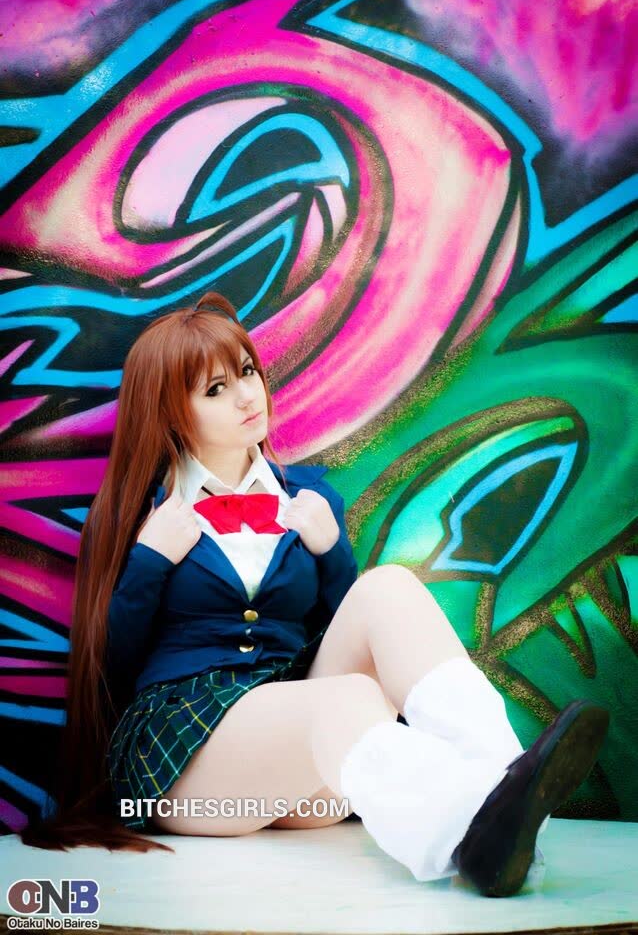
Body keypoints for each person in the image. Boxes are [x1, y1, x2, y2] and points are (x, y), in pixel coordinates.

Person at [19, 290, 609, 898]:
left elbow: (349, 630)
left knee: (388, 587)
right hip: (188, 763)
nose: (247, 395)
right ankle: (467, 840)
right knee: (347, 699)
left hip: (304, 768)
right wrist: (149, 560)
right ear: (172, 414)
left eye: (246, 371)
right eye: (215, 389)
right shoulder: (143, 513)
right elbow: (114, 664)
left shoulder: (308, 498)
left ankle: (505, 788)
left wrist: (332, 555)